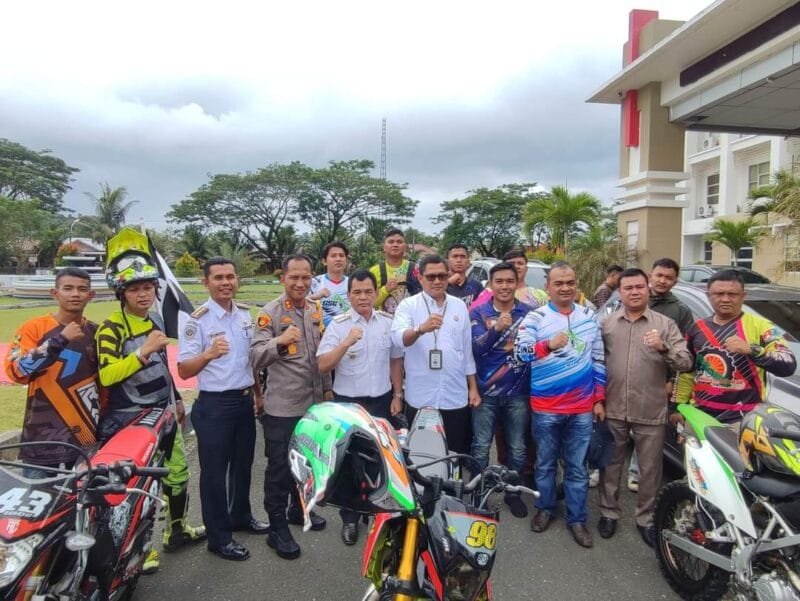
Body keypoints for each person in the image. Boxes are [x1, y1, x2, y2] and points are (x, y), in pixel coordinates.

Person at [97, 231, 206, 573]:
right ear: (121, 292)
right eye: (134, 289)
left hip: (163, 413)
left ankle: (176, 531)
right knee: (136, 485)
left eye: (148, 287)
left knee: (177, 474)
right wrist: (142, 352)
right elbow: (107, 375)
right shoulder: (111, 328)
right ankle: (134, 550)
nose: (143, 294)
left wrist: (177, 398)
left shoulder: (155, 320)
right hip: (128, 420)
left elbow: (163, 366)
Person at [178, 257, 268, 563]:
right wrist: (208, 354)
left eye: (230, 276)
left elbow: (249, 361)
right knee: (214, 475)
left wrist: (257, 394)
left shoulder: (244, 314)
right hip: (215, 405)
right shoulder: (196, 321)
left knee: (243, 465)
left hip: (243, 401)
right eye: (218, 278)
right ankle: (219, 538)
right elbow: (184, 369)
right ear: (206, 282)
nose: (226, 282)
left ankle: (240, 515)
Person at [597, 268, 692, 547]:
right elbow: (595, 361)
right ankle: (608, 513)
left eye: (639, 287)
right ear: (620, 292)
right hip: (614, 406)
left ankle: (646, 518)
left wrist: (664, 348)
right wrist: (596, 400)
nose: (634, 292)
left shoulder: (664, 324)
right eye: (628, 288)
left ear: (647, 288)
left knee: (650, 470)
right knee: (610, 465)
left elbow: (686, 362)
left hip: (650, 407)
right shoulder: (607, 324)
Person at [515, 261, 605, 549]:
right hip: (546, 406)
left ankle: (577, 519)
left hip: (581, 408)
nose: (565, 288)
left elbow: (599, 358)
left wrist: (599, 398)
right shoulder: (535, 317)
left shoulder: (589, 316)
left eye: (570, 283)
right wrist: (547, 345)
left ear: (576, 285)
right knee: (545, 463)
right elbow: (521, 353)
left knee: (577, 467)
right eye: (559, 283)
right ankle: (546, 508)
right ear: (547, 287)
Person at [250, 254, 333, 560]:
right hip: (283, 408)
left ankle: (298, 510)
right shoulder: (269, 313)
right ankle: (277, 528)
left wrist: (327, 390)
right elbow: (255, 357)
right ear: (282, 278)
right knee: (280, 470)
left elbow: (321, 354)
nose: (300, 283)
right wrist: (281, 341)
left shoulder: (314, 309)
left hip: (312, 405)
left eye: (306, 277)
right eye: (294, 277)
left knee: (307, 464)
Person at [317, 269, 405, 545]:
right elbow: (323, 365)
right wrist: (346, 342)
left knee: (380, 460)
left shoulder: (387, 322)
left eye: (368, 291)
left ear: (376, 292)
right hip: (349, 405)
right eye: (357, 292)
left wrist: (397, 395)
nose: (363, 297)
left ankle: (376, 514)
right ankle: (350, 518)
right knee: (348, 463)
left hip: (380, 401)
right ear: (349, 295)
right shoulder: (339, 325)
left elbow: (395, 361)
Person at [4, 268, 100, 478]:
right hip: (41, 438)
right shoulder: (33, 328)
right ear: (54, 293)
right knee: (39, 498)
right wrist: (60, 340)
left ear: (91, 295)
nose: (75, 294)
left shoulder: (97, 332)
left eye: (82, 289)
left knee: (83, 497)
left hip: (85, 438)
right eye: (68, 288)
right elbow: (15, 371)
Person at [674, 269, 797, 424]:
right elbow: (687, 371)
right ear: (709, 295)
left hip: (744, 419)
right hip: (699, 416)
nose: (725, 299)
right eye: (719, 294)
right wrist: (678, 407)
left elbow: (788, 364)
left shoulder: (763, 327)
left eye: (732, 294)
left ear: (743, 296)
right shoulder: (696, 328)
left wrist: (752, 350)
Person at [391, 254, 481, 455]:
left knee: (454, 453)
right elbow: (398, 339)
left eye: (442, 276)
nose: (437, 281)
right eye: (431, 277)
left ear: (448, 276)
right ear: (420, 278)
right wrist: (420, 329)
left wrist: (473, 388)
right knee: (421, 455)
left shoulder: (458, 306)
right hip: (421, 396)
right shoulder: (408, 306)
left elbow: (466, 351)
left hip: (454, 395)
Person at [470, 262, 533, 518]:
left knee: (518, 448)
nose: (505, 286)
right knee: (481, 446)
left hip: (518, 392)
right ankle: (478, 493)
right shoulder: (478, 312)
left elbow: (534, 349)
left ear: (517, 283)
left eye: (510, 281)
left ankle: (512, 492)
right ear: (491, 284)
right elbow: (476, 349)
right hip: (485, 393)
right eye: (499, 281)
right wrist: (496, 330)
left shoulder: (529, 313)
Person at [627, 257, 695, 492]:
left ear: (675, 281)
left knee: (647, 430)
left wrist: (672, 381)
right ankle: (597, 470)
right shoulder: (632, 299)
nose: (663, 281)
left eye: (669, 277)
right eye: (659, 275)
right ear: (650, 276)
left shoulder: (680, 311)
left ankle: (636, 473)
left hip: (658, 380)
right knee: (614, 429)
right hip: (625, 377)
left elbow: (685, 352)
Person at [369, 228, 422, 315]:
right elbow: (370, 302)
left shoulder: (415, 269)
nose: (395, 245)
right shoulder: (374, 271)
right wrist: (386, 290)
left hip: (411, 320)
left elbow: (424, 297)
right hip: (384, 320)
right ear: (384, 247)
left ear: (405, 247)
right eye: (391, 242)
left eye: (399, 242)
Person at [308, 241, 350, 327]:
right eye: (333, 256)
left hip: (348, 331)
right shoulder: (314, 283)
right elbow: (298, 304)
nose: (338, 259)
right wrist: (316, 296)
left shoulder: (353, 283)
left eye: (341, 255)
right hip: (319, 332)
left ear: (346, 260)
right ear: (324, 261)